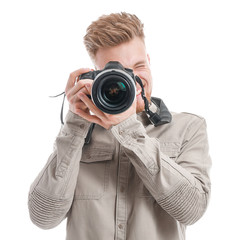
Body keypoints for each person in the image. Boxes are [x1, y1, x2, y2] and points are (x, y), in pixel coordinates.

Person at [28, 12, 211, 240]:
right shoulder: (80, 132)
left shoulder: (188, 127)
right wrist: (75, 123)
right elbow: (44, 217)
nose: (131, 79)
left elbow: (192, 210)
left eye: (138, 66)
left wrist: (128, 130)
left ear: (149, 61)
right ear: (95, 76)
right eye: (116, 72)